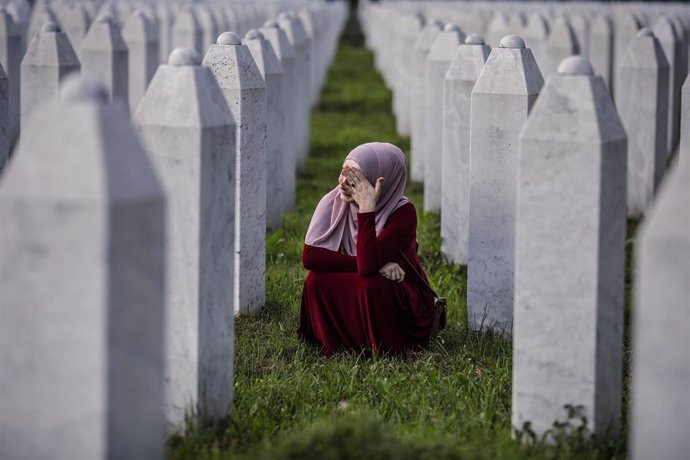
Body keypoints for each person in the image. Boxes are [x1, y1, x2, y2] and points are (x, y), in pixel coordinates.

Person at [298, 142, 437, 356]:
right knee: (315, 281)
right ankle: (338, 342)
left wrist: (366, 208)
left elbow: (367, 265)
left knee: (370, 286)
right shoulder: (333, 201)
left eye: (356, 178)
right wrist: (379, 265)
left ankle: (381, 346)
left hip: (401, 293)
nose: (344, 182)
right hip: (373, 273)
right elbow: (311, 257)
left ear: (379, 181)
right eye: (344, 172)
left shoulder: (404, 213)